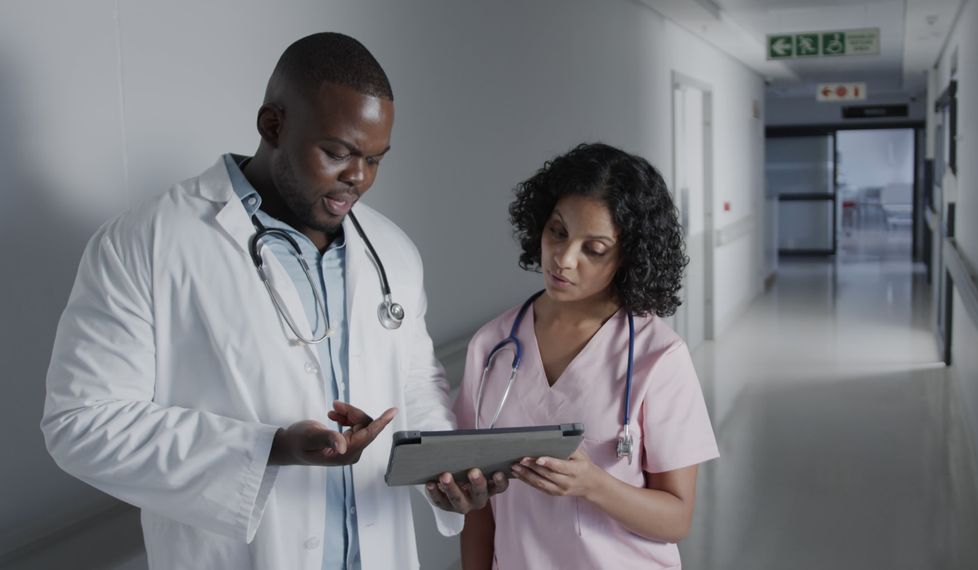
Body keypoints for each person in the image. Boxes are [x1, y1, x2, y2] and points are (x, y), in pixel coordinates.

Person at [41, 32, 505, 570]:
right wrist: (270, 449)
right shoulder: (146, 242)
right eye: (338, 152)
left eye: (375, 160)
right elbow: (81, 423)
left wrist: (442, 473)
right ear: (273, 125)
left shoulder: (392, 250)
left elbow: (416, 383)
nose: (358, 179)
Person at [453, 143, 720, 569]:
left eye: (593, 249)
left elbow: (676, 519)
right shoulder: (491, 345)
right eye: (558, 231)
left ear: (626, 258)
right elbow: (478, 505)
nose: (563, 258)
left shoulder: (659, 355)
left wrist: (593, 485)